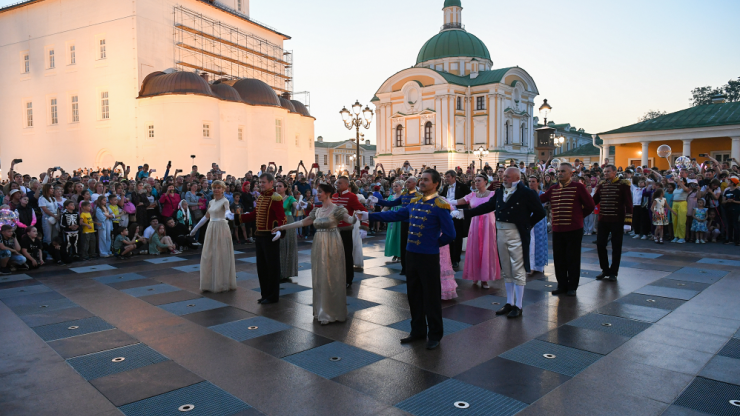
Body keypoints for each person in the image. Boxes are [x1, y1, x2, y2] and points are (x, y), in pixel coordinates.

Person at [362, 169, 455, 350]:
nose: (422, 182)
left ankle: (435, 334)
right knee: (413, 294)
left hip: (428, 256)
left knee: (431, 296)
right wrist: (368, 215)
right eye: (421, 179)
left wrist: (432, 245)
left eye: (426, 180)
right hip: (411, 253)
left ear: (436, 183)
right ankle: (418, 331)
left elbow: (450, 234)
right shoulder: (415, 201)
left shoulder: (440, 204)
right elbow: (395, 215)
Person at [454, 168, 546, 318]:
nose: (504, 179)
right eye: (503, 177)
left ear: (517, 178)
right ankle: (509, 302)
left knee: (518, 268)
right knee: (506, 268)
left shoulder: (527, 193)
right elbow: (487, 207)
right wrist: (465, 213)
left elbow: (540, 212)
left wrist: (527, 225)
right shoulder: (499, 192)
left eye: (507, 177)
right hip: (500, 232)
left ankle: (519, 305)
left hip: (516, 233)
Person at [273, 183, 357, 324]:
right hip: (319, 243)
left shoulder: (337, 209)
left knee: (333, 275)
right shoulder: (317, 210)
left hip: (333, 243)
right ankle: (322, 310)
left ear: (328, 193)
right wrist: (282, 227)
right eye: (317, 192)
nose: (317, 194)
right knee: (320, 276)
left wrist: (358, 216)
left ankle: (333, 311)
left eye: (320, 192)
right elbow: (302, 223)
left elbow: (350, 220)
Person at [539, 163, 595, 296]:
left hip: (573, 229)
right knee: (559, 259)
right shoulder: (553, 189)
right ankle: (561, 285)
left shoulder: (578, 187)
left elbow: (590, 205)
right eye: (559, 171)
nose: (560, 174)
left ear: (571, 174)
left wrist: (578, 217)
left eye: (563, 171)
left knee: (573, 258)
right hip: (558, 229)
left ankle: (572, 287)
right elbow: (539, 199)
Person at [238, 174, 286, 304]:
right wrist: (239, 217)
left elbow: (282, 217)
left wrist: (280, 231)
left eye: (264, 182)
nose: (261, 184)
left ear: (271, 183)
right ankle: (265, 294)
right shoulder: (260, 197)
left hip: (270, 237)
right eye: (260, 182)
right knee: (262, 267)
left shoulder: (275, 197)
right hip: (259, 236)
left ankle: (272, 296)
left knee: (272, 267)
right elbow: (255, 214)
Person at [448, 174, 500, 288]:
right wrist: (446, 201)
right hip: (475, 224)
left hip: (488, 225)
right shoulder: (472, 195)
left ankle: (485, 278)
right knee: (475, 248)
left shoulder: (493, 194)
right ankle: (475, 275)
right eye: (475, 181)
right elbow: (459, 201)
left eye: (479, 180)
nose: (476, 182)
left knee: (487, 249)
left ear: (486, 181)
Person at [189, 180, 236, 293]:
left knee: (221, 254)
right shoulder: (210, 202)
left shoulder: (225, 201)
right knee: (209, 255)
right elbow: (206, 217)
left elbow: (227, 212)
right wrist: (195, 229)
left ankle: (222, 283)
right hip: (211, 227)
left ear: (223, 189)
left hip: (221, 228)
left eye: (219, 187)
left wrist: (232, 216)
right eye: (214, 187)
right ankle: (209, 283)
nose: (216, 189)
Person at [592, 165, 633, 282]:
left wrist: (628, 222)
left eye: (608, 171)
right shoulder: (602, 185)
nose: (605, 173)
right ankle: (605, 269)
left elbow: (629, 204)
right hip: (603, 220)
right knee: (600, 244)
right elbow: (594, 200)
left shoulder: (623, 185)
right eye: (604, 172)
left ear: (615, 172)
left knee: (616, 247)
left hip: (617, 220)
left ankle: (613, 272)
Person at [373, 177, 418, 276]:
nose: (407, 184)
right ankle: (404, 268)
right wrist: (378, 201)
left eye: (409, 182)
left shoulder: (418, 195)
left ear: (415, 184)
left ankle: (413, 268)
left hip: (414, 223)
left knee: (412, 245)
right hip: (403, 222)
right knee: (403, 245)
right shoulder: (404, 195)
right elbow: (392, 203)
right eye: (406, 182)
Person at [331, 176, 367, 288]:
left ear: (347, 185)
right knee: (335, 256)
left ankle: (348, 279)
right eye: (336, 183)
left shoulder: (351, 197)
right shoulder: (334, 196)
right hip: (333, 230)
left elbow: (363, 210)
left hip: (345, 230)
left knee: (346, 255)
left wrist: (364, 226)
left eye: (340, 183)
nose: (337, 185)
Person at [440, 170, 470, 270]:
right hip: (447, 215)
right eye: (445, 177)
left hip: (458, 215)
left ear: (453, 177)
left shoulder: (462, 186)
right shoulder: (445, 187)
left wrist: (461, 210)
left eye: (448, 177)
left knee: (457, 238)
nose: (446, 178)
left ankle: (456, 259)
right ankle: (448, 258)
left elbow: (468, 199)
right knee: (448, 236)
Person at [275, 179, 298, 283]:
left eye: (280, 186)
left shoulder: (290, 198)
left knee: (288, 245)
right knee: (278, 246)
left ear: (285, 188)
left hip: (288, 222)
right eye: (276, 186)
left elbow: (296, 206)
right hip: (276, 222)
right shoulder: (273, 198)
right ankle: (277, 272)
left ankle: (286, 273)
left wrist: (300, 205)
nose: (278, 188)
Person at [528, 175, 550, 275]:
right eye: (529, 181)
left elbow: (547, 205)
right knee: (530, 243)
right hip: (529, 219)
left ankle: (539, 266)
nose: (531, 183)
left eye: (533, 181)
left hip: (540, 221)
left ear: (538, 182)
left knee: (540, 243)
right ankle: (531, 265)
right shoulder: (526, 194)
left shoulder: (542, 194)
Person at [383, 180, 404, 262]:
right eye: (394, 186)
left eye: (397, 186)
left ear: (401, 187)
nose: (395, 188)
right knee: (393, 235)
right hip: (392, 218)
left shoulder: (404, 196)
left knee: (400, 235)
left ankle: (400, 254)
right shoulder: (391, 197)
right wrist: (380, 215)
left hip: (400, 218)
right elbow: (386, 207)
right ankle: (394, 253)